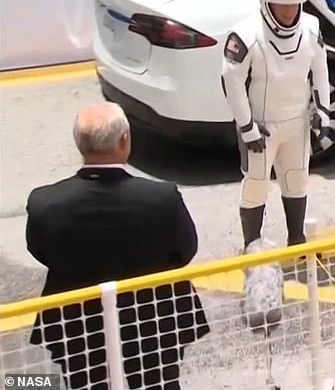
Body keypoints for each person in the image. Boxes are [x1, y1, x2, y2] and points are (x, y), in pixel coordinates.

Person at [25, 102, 209, 390]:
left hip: (78, 332)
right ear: (125, 141)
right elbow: (186, 250)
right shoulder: (161, 199)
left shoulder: (44, 204)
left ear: (80, 145)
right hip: (153, 328)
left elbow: (40, 250)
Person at [221, 0, 331, 254]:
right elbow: (231, 82)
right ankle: (251, 245)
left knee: (296, 180)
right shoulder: (245, 35)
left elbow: (320, 69)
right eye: (281, 5)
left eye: (294, 4)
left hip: (296, 123)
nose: (289, 11)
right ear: (266, 3)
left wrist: (323, 110)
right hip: (261, 126)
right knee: (256, 183)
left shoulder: (311, 28)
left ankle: (297, 239)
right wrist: (246, 128)